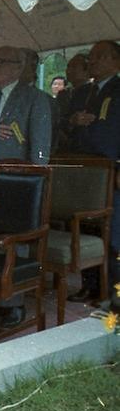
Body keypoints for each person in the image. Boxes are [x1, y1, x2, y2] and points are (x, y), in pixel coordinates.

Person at [0, 45, 52, 328]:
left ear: (18, 66)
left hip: (18, 181)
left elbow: (40, 147)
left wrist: (34, 181)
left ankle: (13, 304)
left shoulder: (35, 98)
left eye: (1, 62)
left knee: (15, 241)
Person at [65, 40, 120, 302]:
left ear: (115, 61)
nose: (92, 62)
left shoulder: (117, 89)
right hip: (85, 171)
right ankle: (91, 285)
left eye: (99, 57)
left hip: (110, 171)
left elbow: (108, 136)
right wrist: (74, 122)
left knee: (112, 233)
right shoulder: (83, 92)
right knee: (88, 228)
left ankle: (111, 290)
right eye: (91, 57)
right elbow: (66, 129)